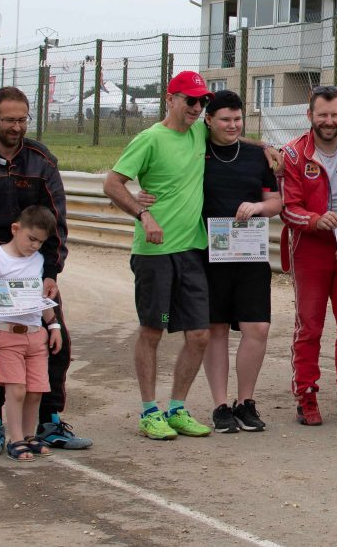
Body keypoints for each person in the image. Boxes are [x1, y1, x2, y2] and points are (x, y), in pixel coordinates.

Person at [0, 86, 91, 456]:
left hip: (34, 274)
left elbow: (56, 221)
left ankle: (50, 420)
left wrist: (52, 271)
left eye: (22, 119)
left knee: (55, 342)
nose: (16, 127)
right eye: (8, 119)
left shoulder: (42, 161)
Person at [102, 71, 217, 440]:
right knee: (153, 330)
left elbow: (233, 134)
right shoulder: (150, 138)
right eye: (190, 101)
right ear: (171, 99)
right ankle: (149, 411)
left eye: (202, 102)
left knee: (199, 335)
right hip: (155, 252)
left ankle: (178, 408)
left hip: (192, 250)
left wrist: (266, 148)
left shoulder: (200, 132)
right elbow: (112, 182)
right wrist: (142, 211)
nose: (197, 109)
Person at [281, 85, 337, 425]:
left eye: (335, 115)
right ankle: (306, 395)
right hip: (311, 249)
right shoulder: (293, 154)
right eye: (322, 115)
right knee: (310, 327)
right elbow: (289, 210)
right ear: (310, 116)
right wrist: (316, 221)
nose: (329, 121)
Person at [197, 91, 282, 433]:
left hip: (249, 253)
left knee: (257, 328)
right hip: (209, 252)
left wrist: (259, 208)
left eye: (237, 119)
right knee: (215, 329)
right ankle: (220, 405)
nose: (232, 126)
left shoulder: (256, 156)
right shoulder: (196, 150)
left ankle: (246, 402)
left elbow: (275, 201)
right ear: (209, 121)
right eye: (224, 120)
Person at [0, 206, 63, 460]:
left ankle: (30, 435)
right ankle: (15, 438)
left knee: (35, 389)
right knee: (16, 389)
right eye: (31, 239)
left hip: (35, 333)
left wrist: (53, 326)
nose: (34, 246)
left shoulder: (39, 261)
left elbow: (42, 298)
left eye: (40, 242)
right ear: (15, 229)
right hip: (6, 333)